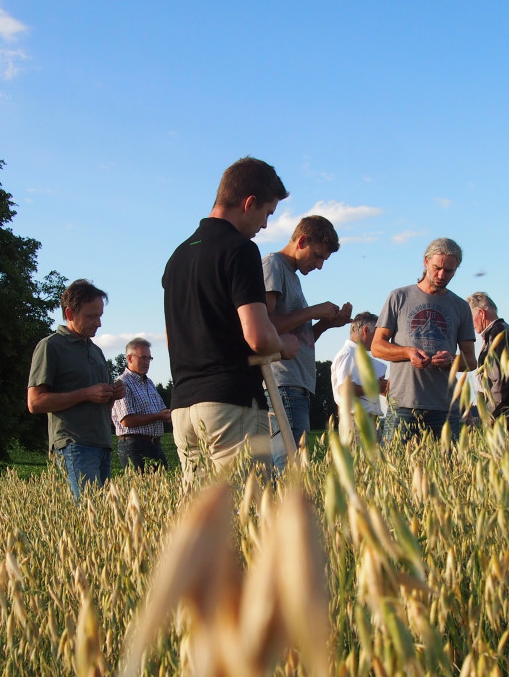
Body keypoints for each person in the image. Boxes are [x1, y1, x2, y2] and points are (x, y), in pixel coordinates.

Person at [162, 157, 299, 475]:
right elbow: (258, 336)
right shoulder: (239, 250)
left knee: (204, 518)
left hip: (183, 408)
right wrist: (283, 345)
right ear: (249, 203)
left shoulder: (178, 257)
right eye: (267, 214)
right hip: (230, 404)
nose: (264, 225)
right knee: (244, 514)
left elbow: (173, 338)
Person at [263, 215, 352, 454]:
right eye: (318, 256)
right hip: (283, 383)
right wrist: (313, 310)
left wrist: (325, 325)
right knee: (291, 469)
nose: (320, 265)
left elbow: (297, 337)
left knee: (295, 464)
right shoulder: (273, 265)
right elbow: (264, 325)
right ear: (301, 241)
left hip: (296, 385)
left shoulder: (291, 276)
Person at [27, 279, 125, 498]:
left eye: (100, 315)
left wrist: (112, 394)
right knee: (89, 514)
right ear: (70, 314)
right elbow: (35, 402)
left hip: (102, 443)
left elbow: (100, 403)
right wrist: (86, 394)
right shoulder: (50, 346)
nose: (98, 323)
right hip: (74, 444)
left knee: (102, 516)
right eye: (92, 316)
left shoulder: (97, 351)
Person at [372, 238, 477, 440]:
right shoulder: (398, 297)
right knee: (397, 470)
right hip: (403, 405)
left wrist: (451, 361)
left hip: (445, 408)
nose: (441, 275)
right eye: (437, 268)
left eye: (449, 271)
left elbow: (471, 361)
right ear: (425, 262)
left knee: (446, 471)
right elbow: (377, 347)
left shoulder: (460, 307)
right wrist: (407, 352)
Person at [466, 292, 509, 420]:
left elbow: (502, 379)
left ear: (481, 313)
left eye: (470, 318)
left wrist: (491, 413)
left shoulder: (497, 334)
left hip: (507, 415)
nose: (470, 325)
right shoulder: (504, 329)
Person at [111, 337, 171, 471]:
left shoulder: (149, 383)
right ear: (130, 358)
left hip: (155, 445)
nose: (147, 362)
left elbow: (162, 410)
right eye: (143, 358)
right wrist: (159, 416)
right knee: (143, 489)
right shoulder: (122, 383)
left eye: (149, 358)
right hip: (134, 446)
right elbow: (126, 420)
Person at [331, 312, 388, 420]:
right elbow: (344, 389)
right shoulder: (348, 354)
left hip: (366, 419)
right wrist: (375, 386)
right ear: (366, 331)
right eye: (377, 334)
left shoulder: (356, 356)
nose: (379, 340)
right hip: (356, 420)